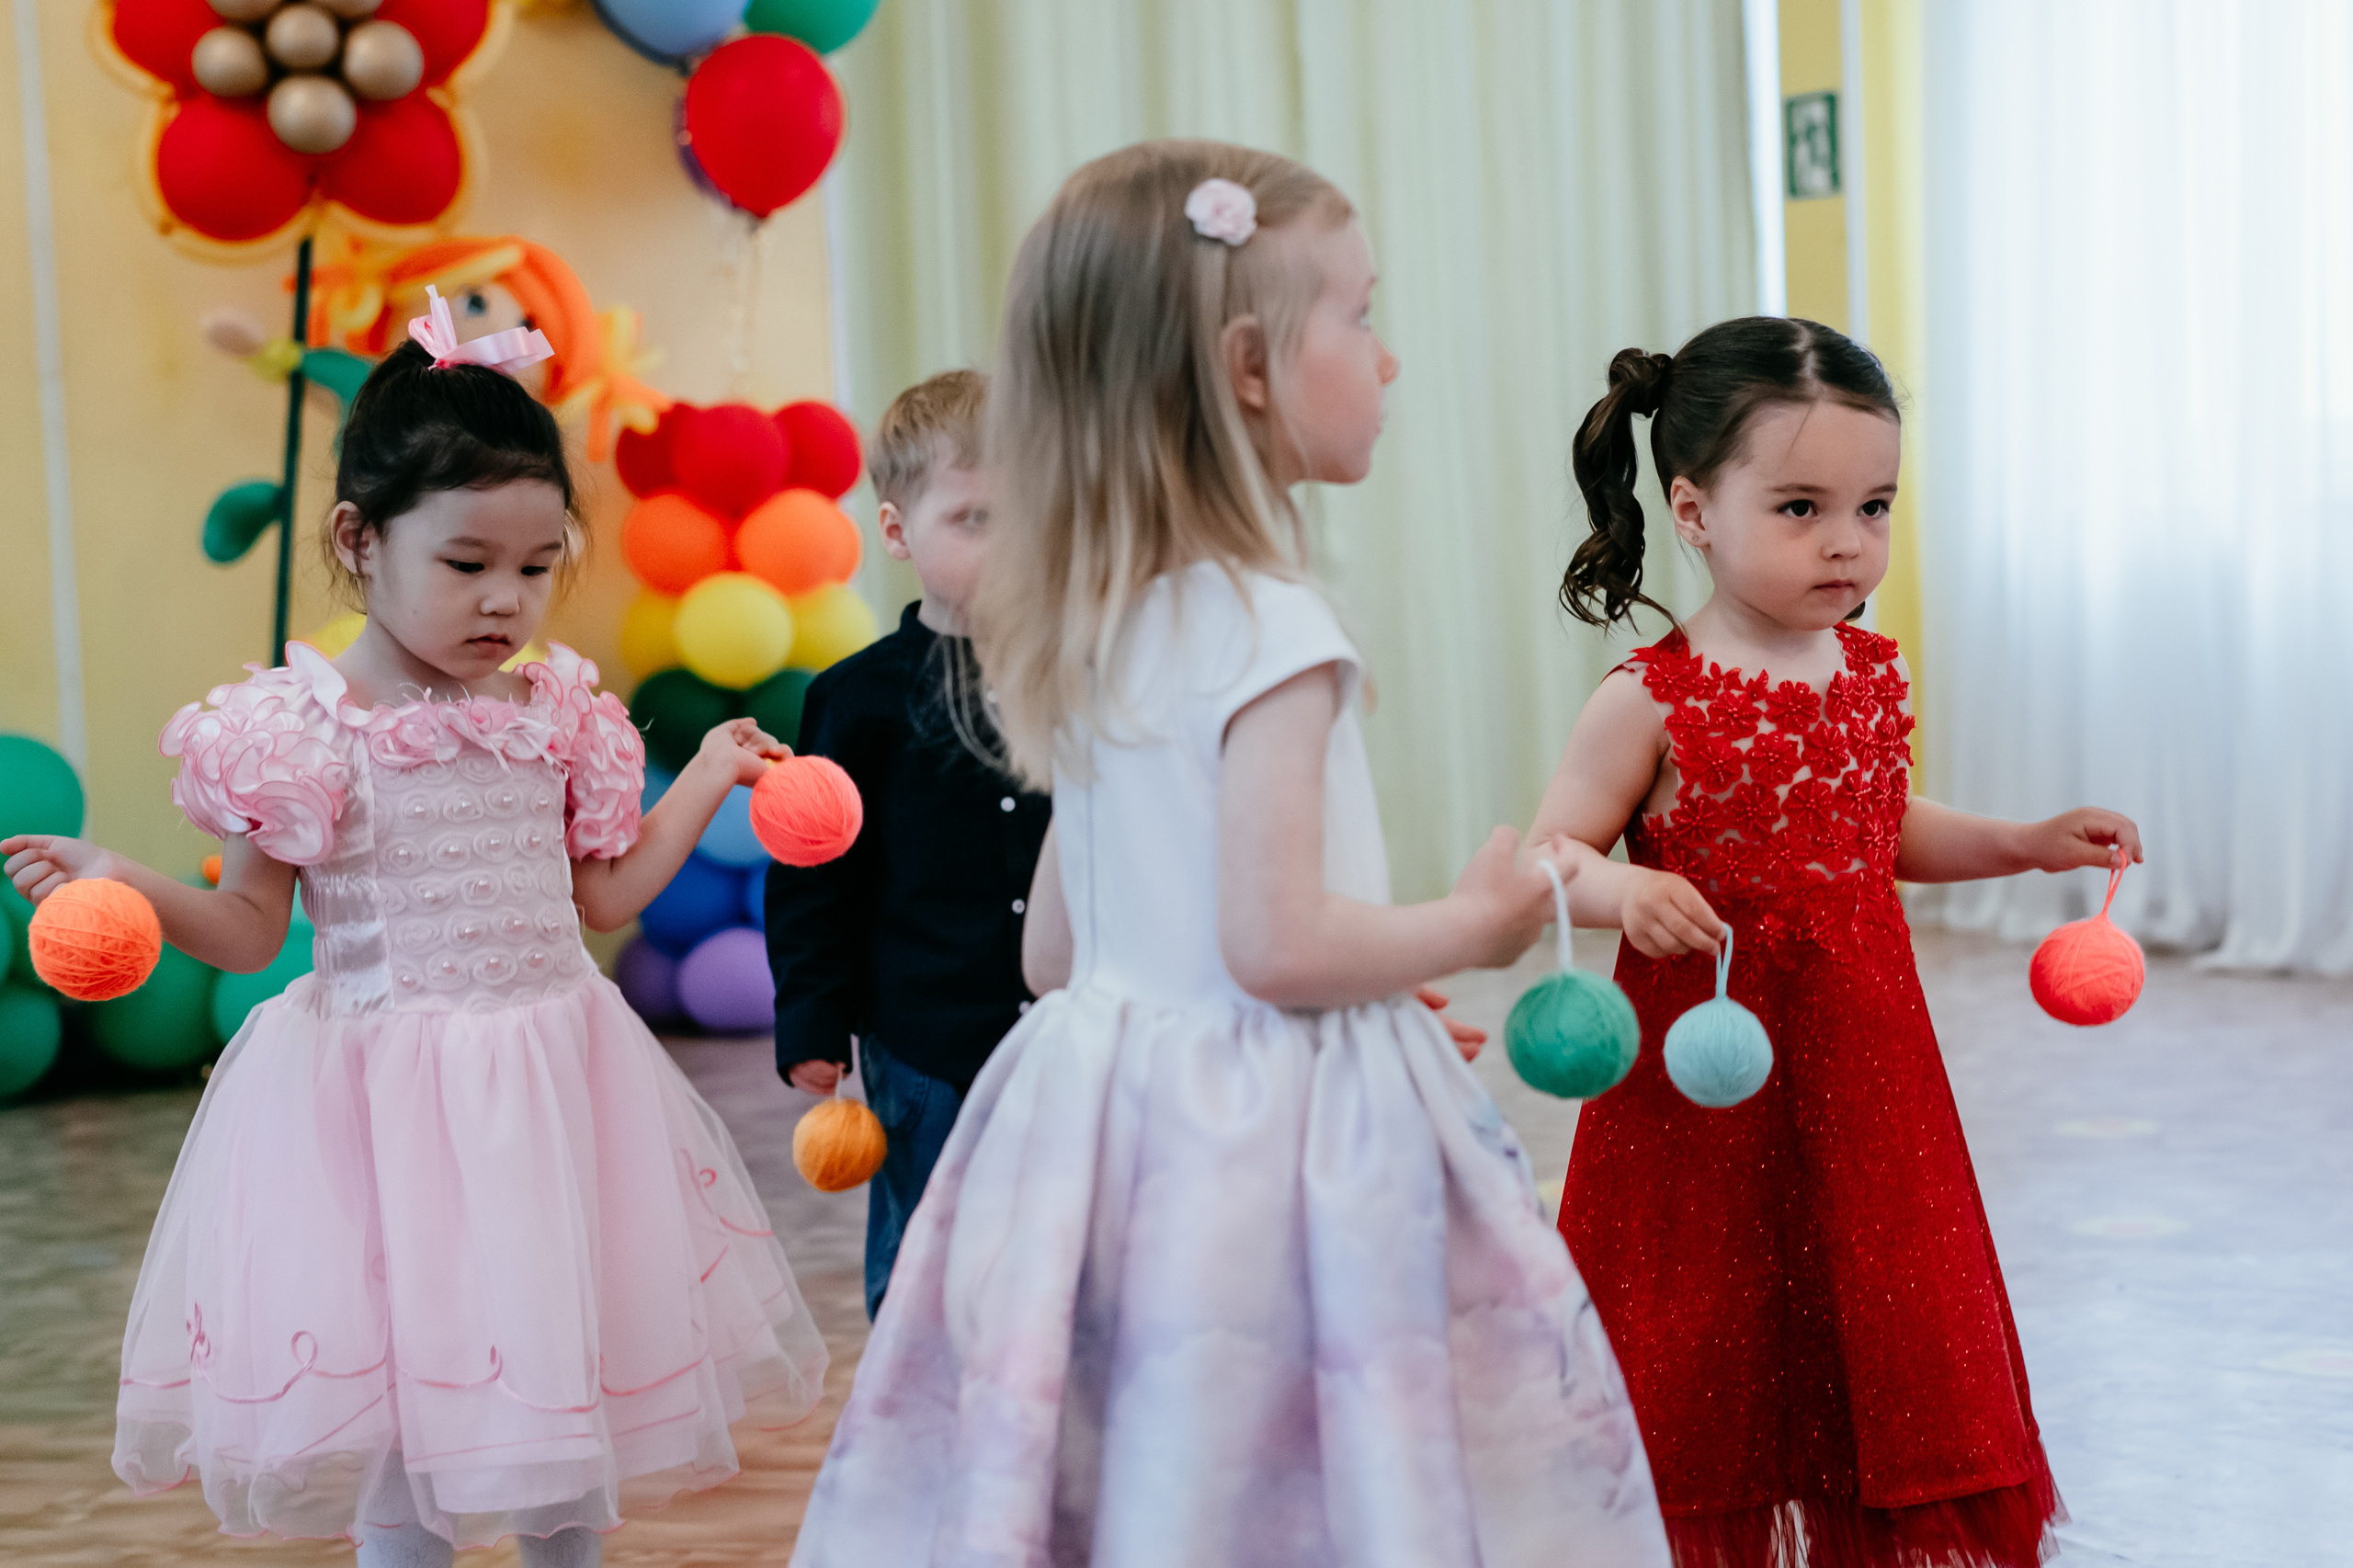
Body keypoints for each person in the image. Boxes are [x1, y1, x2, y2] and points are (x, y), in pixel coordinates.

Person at [789, 141, 1673, 1568]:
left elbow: (1055, 953)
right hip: (1266, 1130)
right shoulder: (1270, 626)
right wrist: (1475, 919)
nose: (1385, 363)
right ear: (1252, 364)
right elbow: (1280, 946)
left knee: (1155, 1451)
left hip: (1105, 1106)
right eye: (1362, 317)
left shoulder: (1097, 618)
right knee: (1296, 1464)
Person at [1, 293, 825, 1568]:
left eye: (538, 566)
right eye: (467, 562)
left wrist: (710, 773)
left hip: (557, 1088)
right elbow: (239, 926)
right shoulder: (298, 731)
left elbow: (601, 899)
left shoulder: (557, 712)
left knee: (563, 1384)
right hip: (381, 1112)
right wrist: (123, 876)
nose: (508, 598)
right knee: (405, 1417)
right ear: (360, 539)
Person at [1529, 316, 2144, 1568]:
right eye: (1802, 507)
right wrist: (1620, 894)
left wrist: (2023, 841)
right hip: (1704, 1082)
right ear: (1695, 510)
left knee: (1880, 1307)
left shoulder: (1863, 668)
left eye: (1874, 506)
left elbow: (1875, 826)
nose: (1848, 541)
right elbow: (1550, 856)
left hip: (1869, 1070)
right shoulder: (1647, 695)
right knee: (1711, 1321)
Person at [767, 368, 1051, 1320]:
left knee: (1058, 1233)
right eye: (973, 518)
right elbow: (813, 871)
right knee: (929, 1241)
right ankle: (915, 1414)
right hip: (924, 1036)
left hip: (1067, 1030)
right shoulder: (855, 700)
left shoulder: (1081, 676)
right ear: (897, 532)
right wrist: (812, 1013)